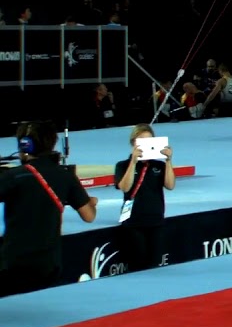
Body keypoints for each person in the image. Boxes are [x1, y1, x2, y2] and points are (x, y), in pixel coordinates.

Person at [0, 121, 98, 297]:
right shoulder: (65, 175)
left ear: (24, 145)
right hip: (48, 264)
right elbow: (89, 216)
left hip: (13, 262)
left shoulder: (11, 176)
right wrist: (91, 202)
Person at [113, 124, 177, 271]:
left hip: (156, 220)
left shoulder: (159, 165)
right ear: (133, 143)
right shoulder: (122, 165)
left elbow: (170, 185)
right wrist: (134, 162)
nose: (145, 144)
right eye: (141, 140)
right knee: (138, 265)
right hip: (133, 222)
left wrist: (168, 161)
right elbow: (125, 187)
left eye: (149, 140)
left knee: (155, 265)